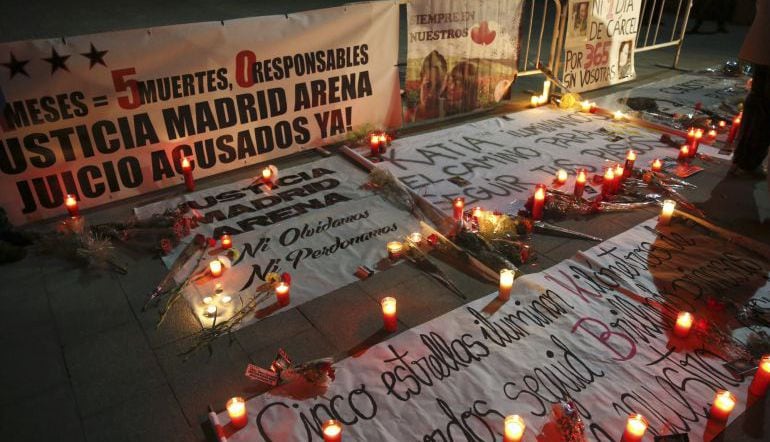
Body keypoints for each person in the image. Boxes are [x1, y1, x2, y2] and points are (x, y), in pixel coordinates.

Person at [730, 0, 770, 178]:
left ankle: (745, 158)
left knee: (759, 103)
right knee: (762, 108)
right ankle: (747, 160)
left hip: (763, 45)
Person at [413, 50, 447, 121]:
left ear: (445, 83)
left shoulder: (450, 108)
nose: (431, 94)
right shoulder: (408, 111)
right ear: (420, 81)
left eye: (438, 86)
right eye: (428, 85)